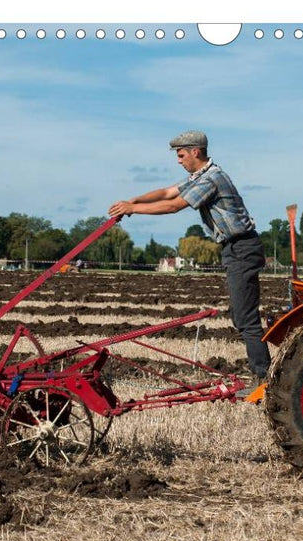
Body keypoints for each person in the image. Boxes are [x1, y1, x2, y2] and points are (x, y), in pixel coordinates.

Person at [109, 130, 271, 392]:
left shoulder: (212, 179)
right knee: (241, 316)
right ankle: (263, 377)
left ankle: (264, 380)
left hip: (242, 248)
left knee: (245, 318)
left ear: (195, 152)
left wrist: (133, 209)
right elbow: (166, 192)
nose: (179, 160)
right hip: (235, 248)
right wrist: (134, 200)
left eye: (181, 155)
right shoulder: (201, 176)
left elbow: (175, 206)